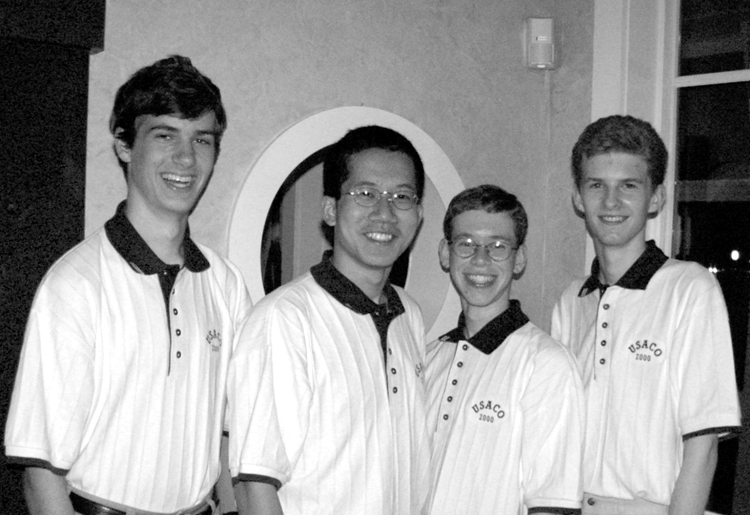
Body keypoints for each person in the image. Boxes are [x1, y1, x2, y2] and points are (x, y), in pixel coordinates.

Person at [4, 55, 252, 515]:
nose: (186, 158)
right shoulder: (76, 284)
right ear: (123, 144)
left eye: (201, 139)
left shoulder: (225, 284)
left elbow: (228, 433)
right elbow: (41, 476)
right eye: (165, 135)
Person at [226, 125, 432, 515]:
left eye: (402, 197)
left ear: (419, 215)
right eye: (366, 194)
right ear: (331, 210)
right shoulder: (284, 319)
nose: (385, 213)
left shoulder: (409, 316)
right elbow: (256, 486)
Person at [551, 115, 742, 515]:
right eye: (596, 185)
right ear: (578, 198)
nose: (611, 202)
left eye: (629, 186)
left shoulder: (689, 289)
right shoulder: (572, 301)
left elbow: (703, 448)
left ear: (655, 198)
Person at [425, 184, 584, 515]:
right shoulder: (427, 358)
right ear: (444, 253)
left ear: (519, 258)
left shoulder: (546, 365)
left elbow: (551, 503)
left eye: (498, 246)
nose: (480, 260)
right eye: (466, 244)